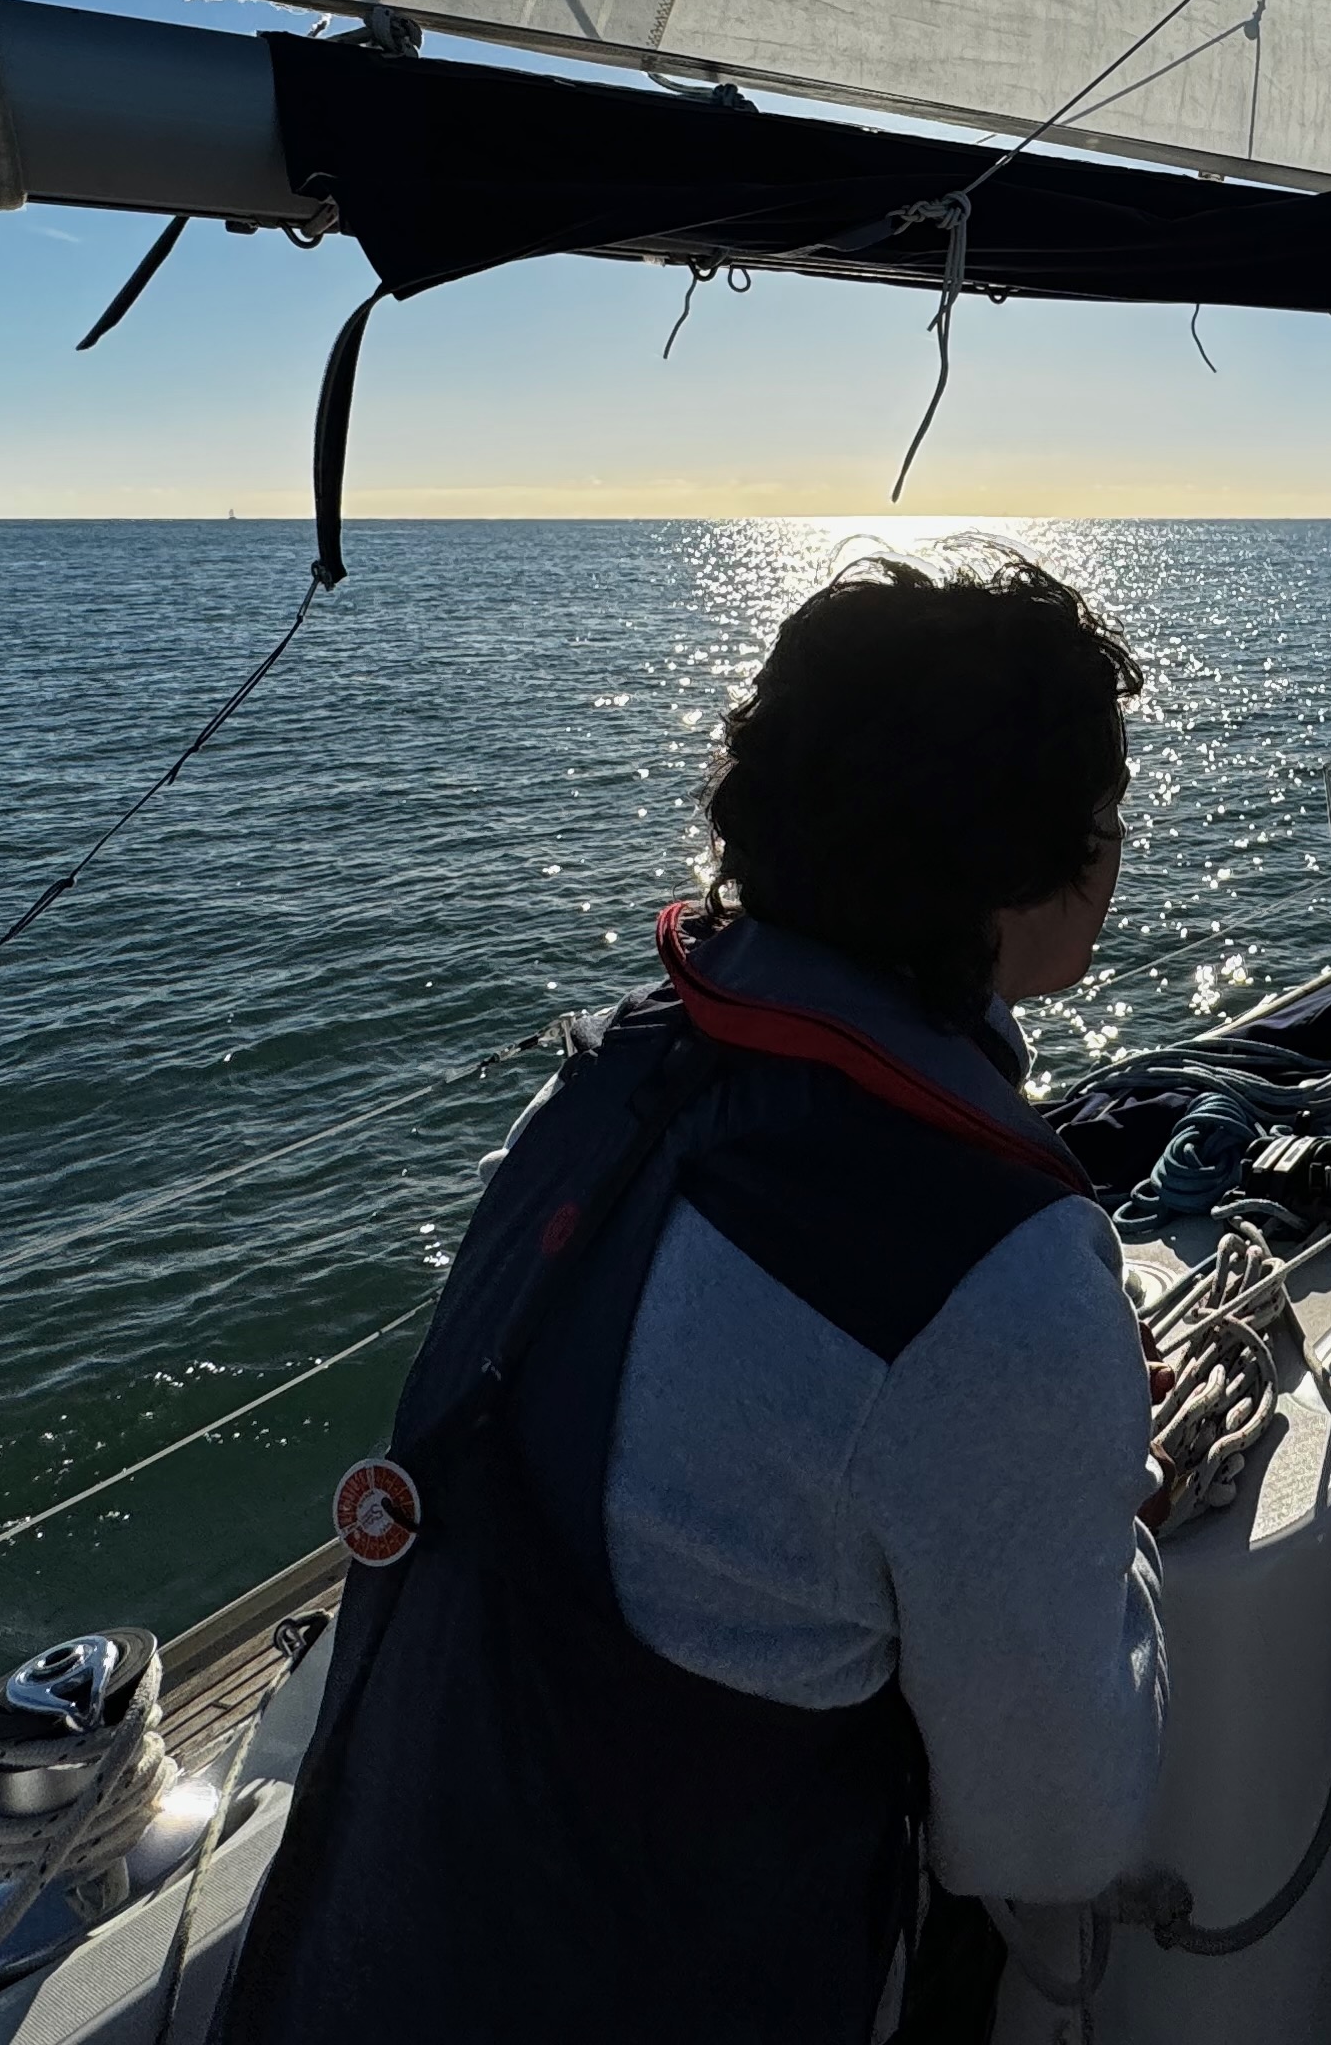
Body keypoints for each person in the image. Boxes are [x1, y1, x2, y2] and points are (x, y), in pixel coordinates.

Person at [223, 547, 1166, 2043]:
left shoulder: (602, 1088)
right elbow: (1055, 1835)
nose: (1118, 862)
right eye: (1106, 824)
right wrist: (1121, 1512)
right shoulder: (1000, 1283)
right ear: (1019, 867)